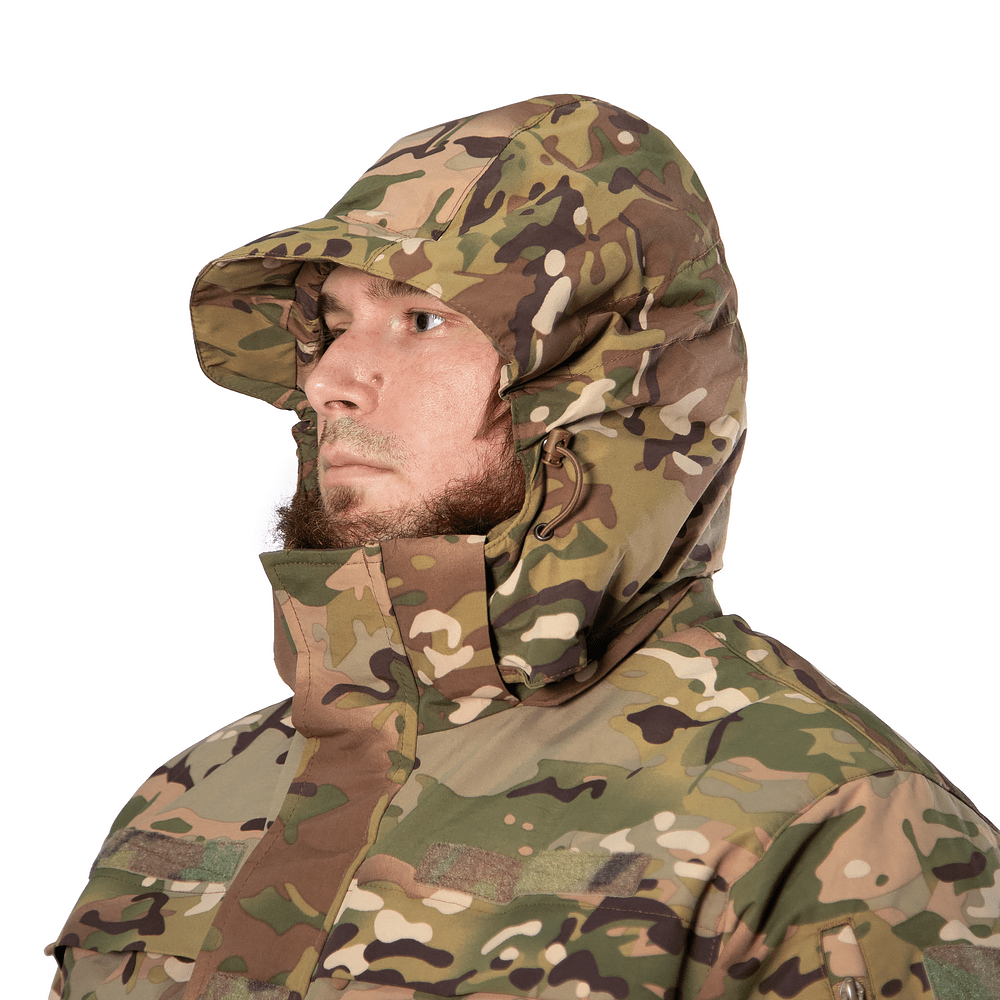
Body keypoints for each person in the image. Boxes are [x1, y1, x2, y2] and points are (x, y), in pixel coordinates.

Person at [49, 95, 1000, 1000]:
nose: (330, 378)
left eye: (422, 319)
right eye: (333, 326)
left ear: (597, 386)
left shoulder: (827, 826)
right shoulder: (196, 796)